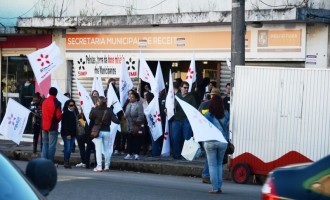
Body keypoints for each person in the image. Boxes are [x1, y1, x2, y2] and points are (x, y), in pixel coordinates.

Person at [202, 89, 229, 191]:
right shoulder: (226, 113)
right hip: (222, 142)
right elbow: (226, 127)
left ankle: (215, 188)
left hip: (211, 142)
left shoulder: (209, 114)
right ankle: (219, 186)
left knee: (212, 165)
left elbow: (204, 125)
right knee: (219, 165)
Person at [89, 96, 120, 172]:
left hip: (98, 132)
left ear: (98, 102)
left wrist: (94, 108)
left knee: (98, 149)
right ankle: (107, 166)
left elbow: (90, 117)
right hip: (107, 131)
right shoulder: (109, 110)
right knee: (107, 149)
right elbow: (116, 121)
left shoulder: (95, 110)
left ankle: (99, 167)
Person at [171, 81, 197, 159]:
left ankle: (186, 155)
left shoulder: (191, 97)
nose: (186, 89)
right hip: (176, 120)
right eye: (185, 87)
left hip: (186, 120)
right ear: (181, 88)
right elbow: (171, 106)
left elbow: (194, 108)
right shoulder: (176, 96)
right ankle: (176, 154)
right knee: (176, 138)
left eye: (187, 88)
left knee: (187, 138)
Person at [41, 87, 62, 162]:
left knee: (45, 144)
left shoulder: (44, 101)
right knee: (52, 146)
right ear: (56, 93)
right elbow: (58, 116)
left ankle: (43, 161)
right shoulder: (57, 102)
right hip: (52, 127)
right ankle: (49, 162)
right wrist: (58, 121)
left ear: (49, 92)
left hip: (44, 126)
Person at [124, 92, 145, 160]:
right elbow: (126, 113)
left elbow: (141, 116)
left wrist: (136, 123)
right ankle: (129, 153)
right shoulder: (128, 105)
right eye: (130, 97)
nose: (131, 98)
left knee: (136, 140)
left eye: (132, 97)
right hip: (129, 125)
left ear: (136, 98)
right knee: (129, 140)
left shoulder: (139, 105)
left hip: (136, 126)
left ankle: (136, 153)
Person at [61, 99, 78, 168]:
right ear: (67, 106)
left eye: (73, 105)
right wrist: (68, 134)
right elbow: (64, 124)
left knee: (70, 148)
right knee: (67, 148)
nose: (72, 106)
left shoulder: (75, 112)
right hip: (66, 134)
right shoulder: (65, 113)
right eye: (71, 105)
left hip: (73, 133)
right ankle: (66, 162)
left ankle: (67, 160)